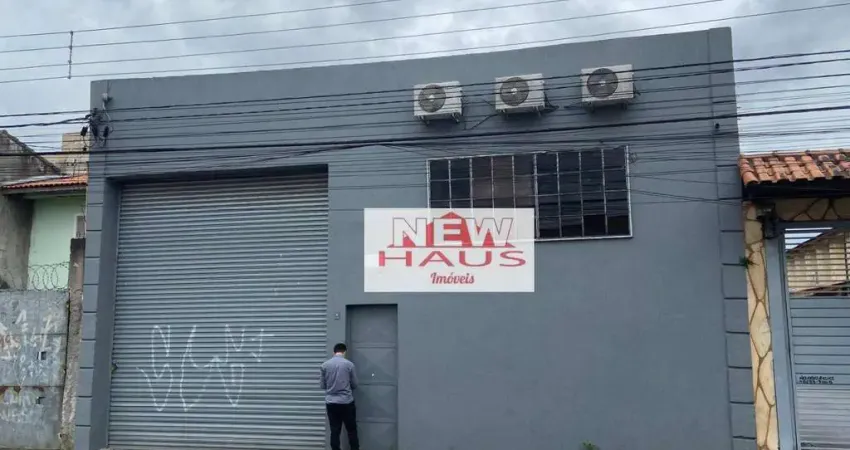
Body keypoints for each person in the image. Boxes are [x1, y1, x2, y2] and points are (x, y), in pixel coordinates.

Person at [320, 342, 360, 450]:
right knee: (351, 430)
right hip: (347, 402)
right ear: (344, 352)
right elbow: (355, 384)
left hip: (331, 403)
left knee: (334, 430)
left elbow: (322, 385)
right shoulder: (349, 365)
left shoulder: (324, 365)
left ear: (334, 352)